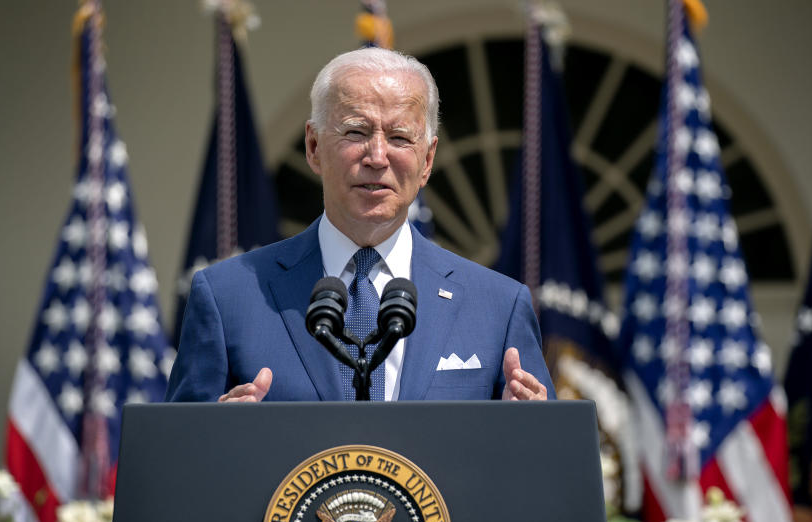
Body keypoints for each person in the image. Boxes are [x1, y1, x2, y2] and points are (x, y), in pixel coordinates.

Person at [165, 48, 553, 403]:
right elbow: (174, 462)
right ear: (314, 147)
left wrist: (526, 436)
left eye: (400, 137)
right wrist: (215, 440)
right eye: (356, 132)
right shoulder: (226, 297)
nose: (378, 157)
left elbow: (550, 469)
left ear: (428, 160)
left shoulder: (499, 307)